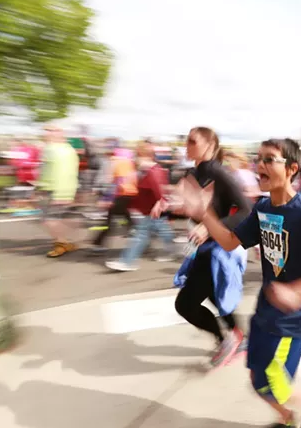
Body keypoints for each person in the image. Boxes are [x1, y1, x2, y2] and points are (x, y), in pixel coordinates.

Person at [175, 138, 301, 428]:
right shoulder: (263, 208)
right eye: (259, 159)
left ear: (292, 169)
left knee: (275, 382)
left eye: (270, 160)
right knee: (258, 378)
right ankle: (286, 419)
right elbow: (231, 242)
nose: (260, 165)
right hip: (266, 310)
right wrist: (204, 213)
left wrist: (297, 291)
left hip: (292, 318)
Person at [164, 127, 252, 368]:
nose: (187, 144)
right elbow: (194, 210)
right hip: (203, 249)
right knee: (215, 294)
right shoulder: (195, 173)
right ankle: (238, 336)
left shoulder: (218, 172)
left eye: (193, 140)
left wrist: (208, 228)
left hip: (218, 249)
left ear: (210, 145)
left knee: (185, 304)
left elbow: (246, 210)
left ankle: (227, 339)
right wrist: (170, 210)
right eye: (186, 140)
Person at [105, 142, 174, 271]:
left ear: (143, 155)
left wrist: (160, 204)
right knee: (161, 231)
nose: (135, 159)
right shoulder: (145, 170)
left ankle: (127, 262)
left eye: (137, 155)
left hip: (152, 210)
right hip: (147, 209)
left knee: (142, 234)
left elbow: (160, 191)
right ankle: (170, 250)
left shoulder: (154, 171)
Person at [37, 125, 80, 258]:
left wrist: (62, 194)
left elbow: (65, 173)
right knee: (49, 219)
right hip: (51, 189)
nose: (47, 134)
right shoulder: (53, 148)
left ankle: (62, 244)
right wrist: (39, 187)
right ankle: (63, 242)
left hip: (57, 190)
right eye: (46, 131)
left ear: (59, 134)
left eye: (51, 131)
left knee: (49, 220)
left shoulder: (60, 150)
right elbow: (46, 171)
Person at [89, 144, 138, 252]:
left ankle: (98, 243)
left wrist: (107, 198)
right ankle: (138, 236)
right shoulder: (129, 163)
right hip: (128, 195)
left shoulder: (118, 163)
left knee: (111, 221)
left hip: (121, 195)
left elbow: (116, 182)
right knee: (124, 218)